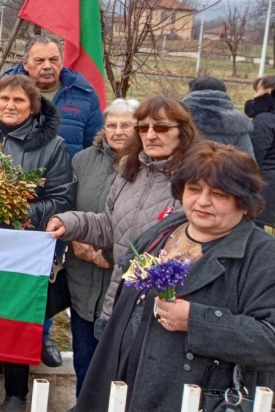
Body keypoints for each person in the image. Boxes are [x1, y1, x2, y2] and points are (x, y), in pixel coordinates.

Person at [72, 142, 275, 412]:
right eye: (193, 189)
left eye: (218, 194)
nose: (202, 201)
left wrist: (196, 321)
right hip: (124, 383)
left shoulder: (262, 255)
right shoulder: (165, 230)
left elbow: (269, 340)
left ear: (243, 199)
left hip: (191, 398)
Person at [46, 96, 199, 339]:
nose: (150, 135)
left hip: (162, 308)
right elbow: (110, 225)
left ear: (183, 132)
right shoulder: (130, 169)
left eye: (160, 127)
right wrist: (69, 222)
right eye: (142, 127)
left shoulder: (194, 181)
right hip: (117, 301)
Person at [0, 74, 75, 410]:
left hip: (24, 245)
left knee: (17, 316)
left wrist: (18, 209)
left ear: (32, 106)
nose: (10, 106)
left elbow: (62, 196)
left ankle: (17, 390)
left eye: (19, 101)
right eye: (4, 99)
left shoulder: (51, 145)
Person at [66, 98, 139, 395]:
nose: (118, 131)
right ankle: (83, 401)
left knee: (118, 358)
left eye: (126, 125)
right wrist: (75, 240)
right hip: (82, 271)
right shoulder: (83, 159)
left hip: (121, 276)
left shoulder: (150, 168)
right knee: (83, 352)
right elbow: (66, 203)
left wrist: (109, 254)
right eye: (112, 125)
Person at [6, 35, 103, 159]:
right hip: (14, 176)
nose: (47, 66)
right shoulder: (3, 93)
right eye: (39, 60)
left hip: (68, 176)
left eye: (53, 60)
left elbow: (95, 148)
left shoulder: (85, 95)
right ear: (25, 64)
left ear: (62, 62)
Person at [181, 76, 254, 156]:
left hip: (184, 167)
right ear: (224, 93)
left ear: (192, 91)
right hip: (224, 168)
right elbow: (247, 160)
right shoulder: (239, 122)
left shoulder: (179, 116)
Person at [247, 74, 275, 232]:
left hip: (264, 186)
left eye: (257, 90)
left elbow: (253, 156)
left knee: (255, 232)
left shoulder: (264, 120)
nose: (254, 95)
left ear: (268, 92)